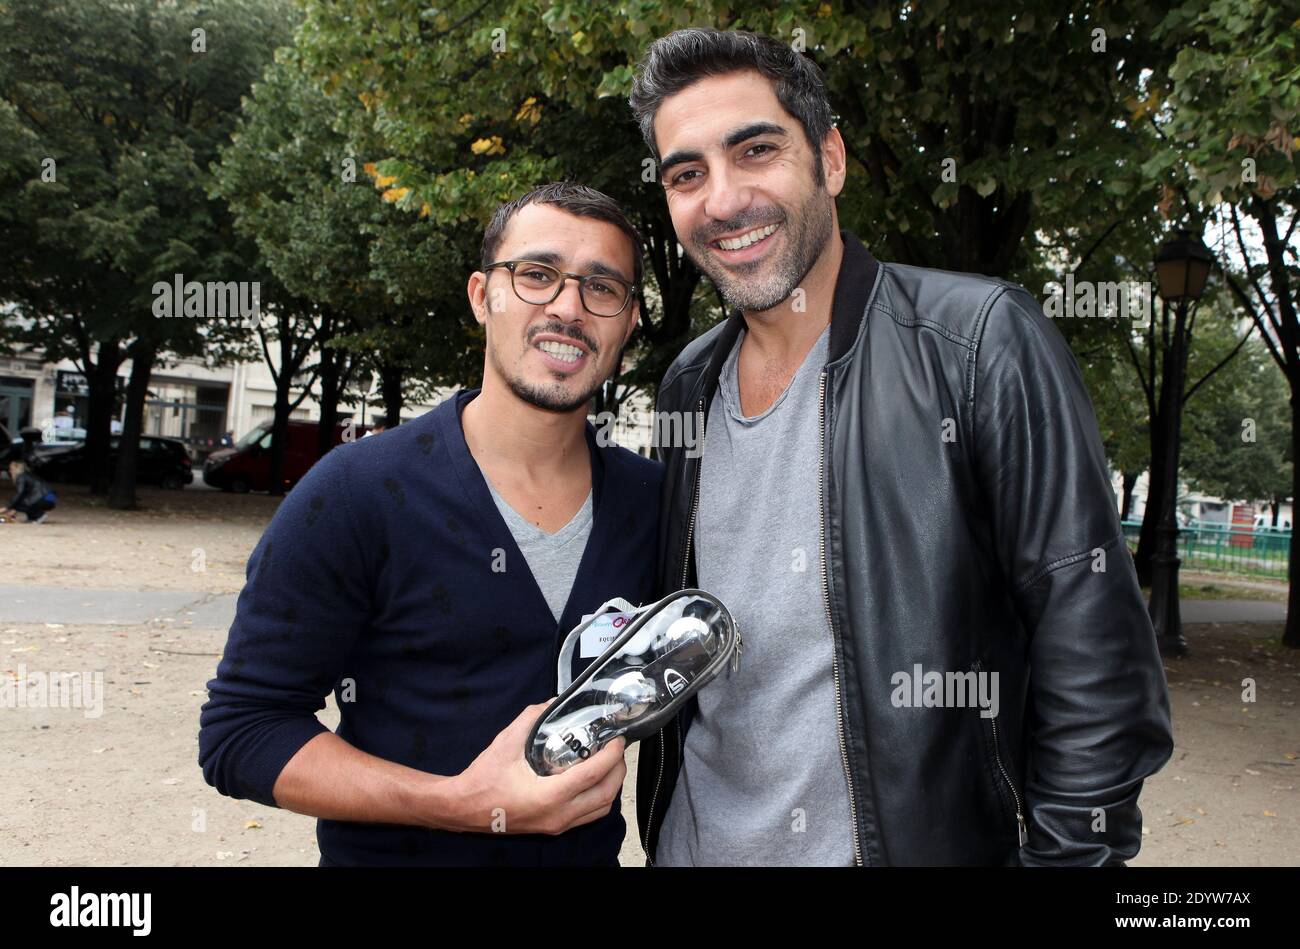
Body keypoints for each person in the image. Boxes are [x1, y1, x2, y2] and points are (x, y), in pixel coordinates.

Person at [628, 28, 1173, 866]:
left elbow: (1094, 651)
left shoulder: (978, 343)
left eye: (757, 150)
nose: (724, 199)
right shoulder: (687, 385)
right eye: (687, 174)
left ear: (831, 160)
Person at [199, 182, 661, 865]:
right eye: (536, 275)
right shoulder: (356, 493)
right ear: (482, 296)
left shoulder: (655, 503)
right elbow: (241, 732)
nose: (568, 307)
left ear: (626, 323)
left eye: (602, 287)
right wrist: (461, 805)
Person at [2, 459, 56, 524]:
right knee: (23, 500)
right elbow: (26, 495)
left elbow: (20, 494)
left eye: (11, 469)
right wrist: (13, 510)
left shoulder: (21, 477)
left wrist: (7, 507)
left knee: (19, 501)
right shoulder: (28, 475)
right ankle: (33, 518)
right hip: (51, 498)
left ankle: (39, 515)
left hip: (44, 498)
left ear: (15, 469)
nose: (9, 471)